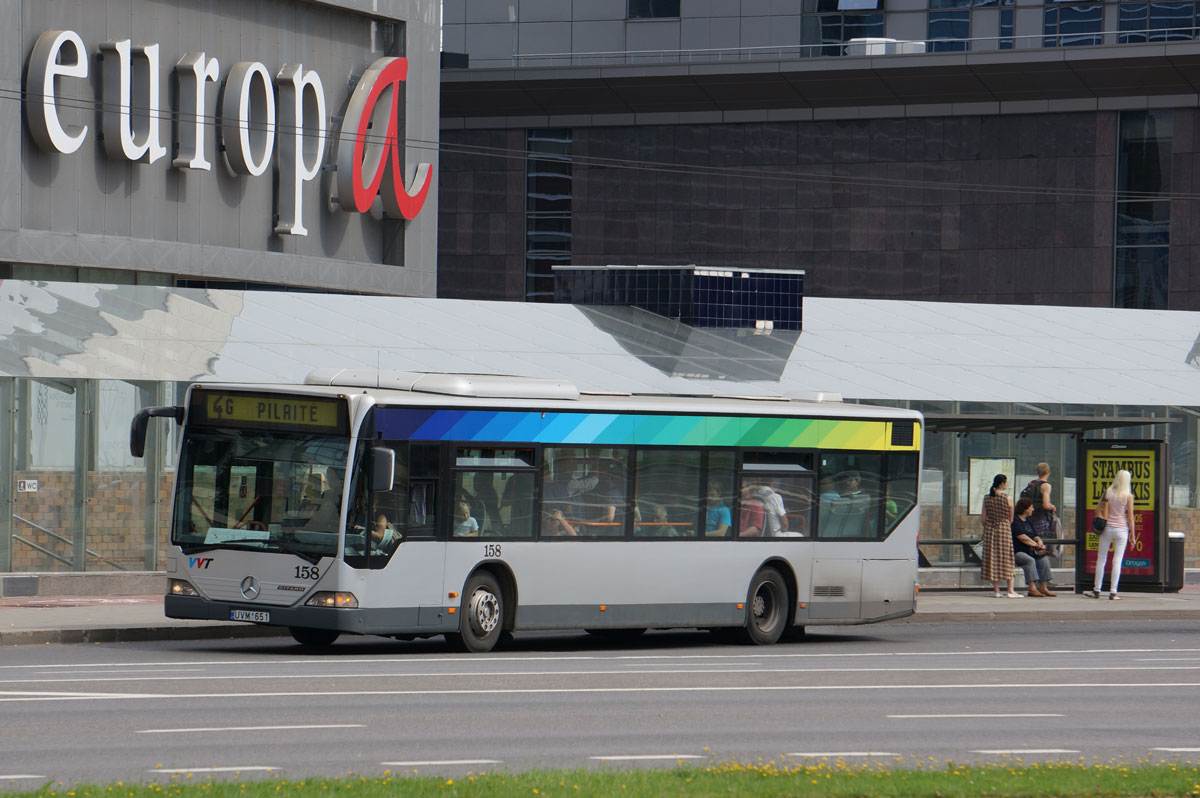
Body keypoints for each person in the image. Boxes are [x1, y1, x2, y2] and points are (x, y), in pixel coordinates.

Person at [1086, 469, 1137, 600]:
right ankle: (1113, 592)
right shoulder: (1128, 496)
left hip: (1107, 528)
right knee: (1117, 561)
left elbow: (1098, 508)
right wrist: (1133, 535)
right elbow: (1130, 518)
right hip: (1121, 530)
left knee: (1101, 559)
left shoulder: (1108, 492)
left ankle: (1097, 590)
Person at [980, 474, 1019, 598]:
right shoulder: (1008, 498)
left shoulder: (986, 498)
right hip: (1004, 529)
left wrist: (990, 523)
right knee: (1007, 557)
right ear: (1002, 484)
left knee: (992, 557)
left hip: (990, 530)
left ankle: (996, 590)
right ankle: (1010, 590)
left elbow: (983, 519)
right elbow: (1011, 518)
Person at [1011, 497, 1056, 597]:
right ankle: (1032, 588)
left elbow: (1035, 535)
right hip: (1018, 551)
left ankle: (1043, 587)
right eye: (1031, 507)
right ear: (1025, 508)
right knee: (1029, 560)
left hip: (1032, 550)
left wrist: (1039, 541)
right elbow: (1022, 537)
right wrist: (1035, 545)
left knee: (1043, 560)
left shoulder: (1028, 520)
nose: (1033, 509)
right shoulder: (1015, 520)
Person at [1024, 462, 1057, 538]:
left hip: (1028, 518)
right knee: (1041, 543)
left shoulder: (1031, 484)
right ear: (1048, 472)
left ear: (1038, 472)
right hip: (1040, 519)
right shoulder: (1045, 486)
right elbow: (1046, 505)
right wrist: (1053, 507)